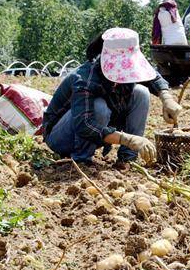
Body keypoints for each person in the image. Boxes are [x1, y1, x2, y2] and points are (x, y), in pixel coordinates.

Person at [41, 27, 181, 167]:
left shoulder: (129, 70)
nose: (126, 74)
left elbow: (153, 77)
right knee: (99, 107)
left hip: (98, 132)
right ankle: (82, 160)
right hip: (61, 137)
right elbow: (85, 125)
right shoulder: (85, 79)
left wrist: (166, 98)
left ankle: (128, 159)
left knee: (141, 93)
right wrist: (129, 139)